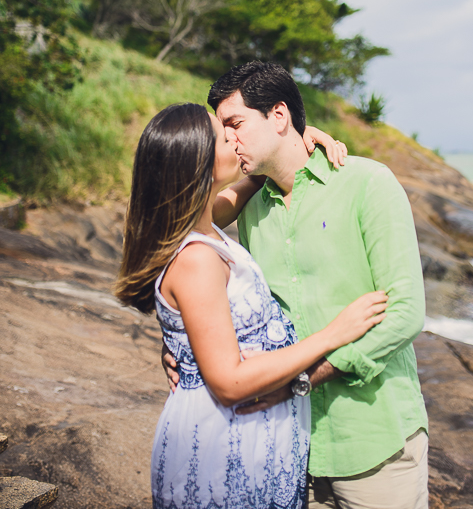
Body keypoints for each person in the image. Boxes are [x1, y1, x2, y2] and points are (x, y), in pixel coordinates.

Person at [164, 62, 429, 509]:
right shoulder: (247, 206)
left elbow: (405, 311)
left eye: (236, 124)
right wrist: (181, 344)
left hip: (373, 444)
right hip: (288, 449)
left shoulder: (367, 183)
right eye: (223, 129)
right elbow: (177, 241)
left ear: (280, 115)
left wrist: (304, 379)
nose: (228, 139)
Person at [115, 102, 387, 509]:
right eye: (224, 137)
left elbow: (258, 177)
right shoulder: (197, 259)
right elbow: (228, 383)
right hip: (225, 447)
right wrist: (333, 334)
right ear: (199, 167)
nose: (235, 138)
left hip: (248, 439)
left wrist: (298, 138)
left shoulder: (205, 225)